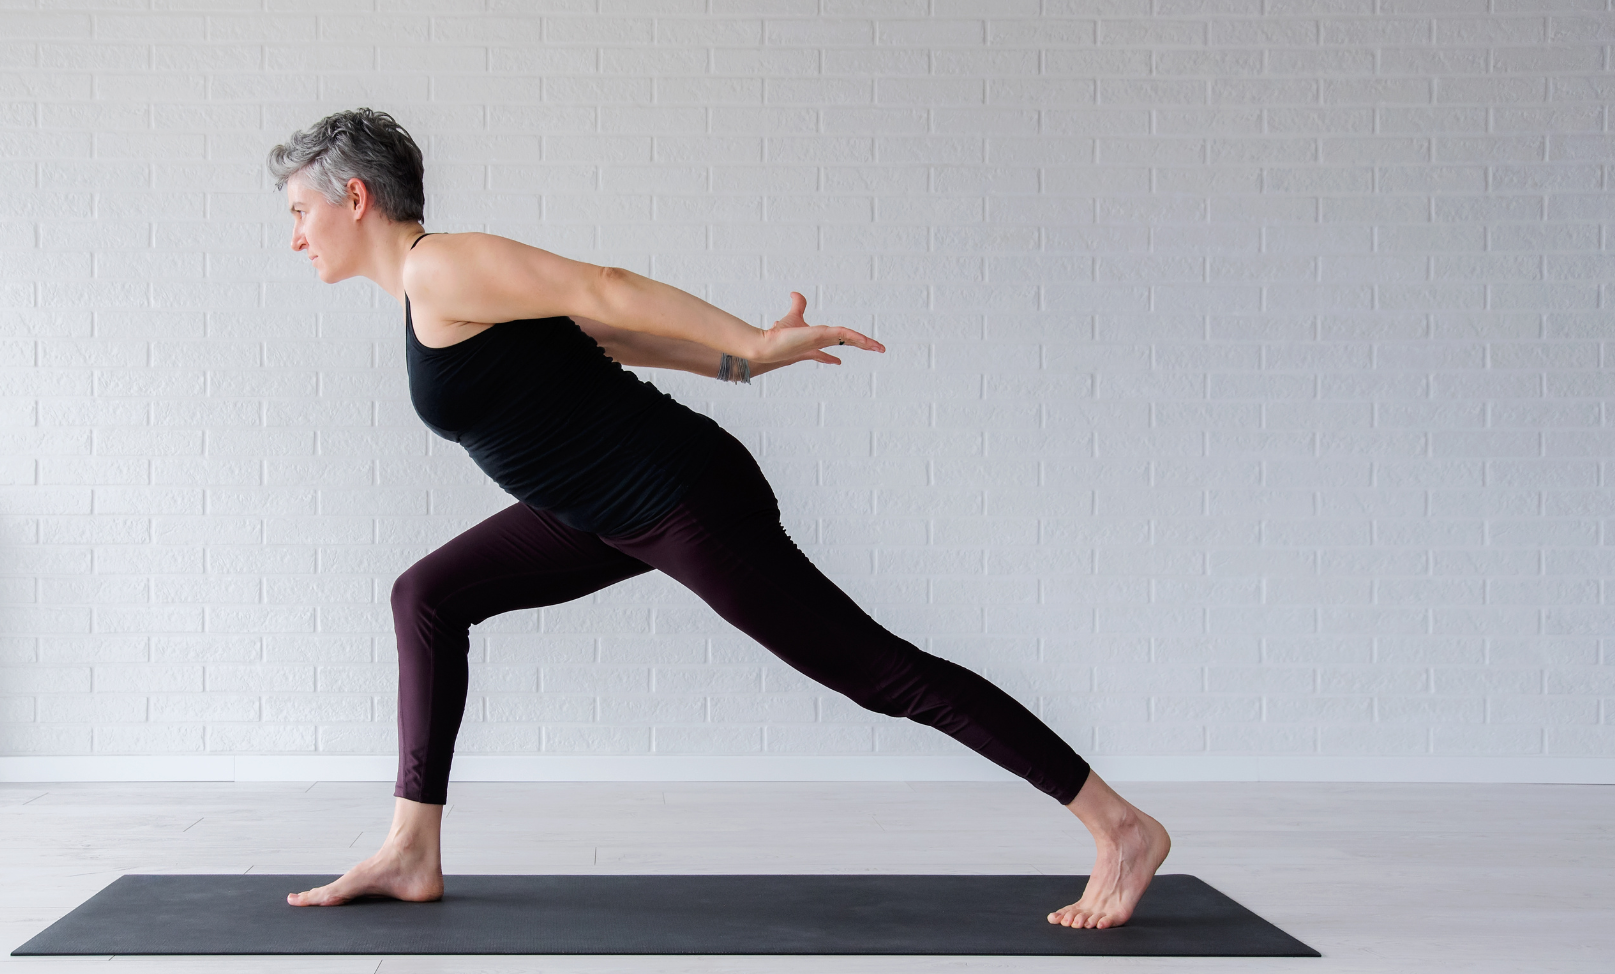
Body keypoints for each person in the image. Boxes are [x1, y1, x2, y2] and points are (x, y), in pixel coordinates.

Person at [267, 108, 1170, 929]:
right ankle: (411, 848)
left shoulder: (441, 263)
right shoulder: (430, 293)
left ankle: (1119, 827)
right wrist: (743, 369)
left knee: (879, 672)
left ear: (355, 197)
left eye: (300, 213)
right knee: (428, 595)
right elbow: (604, 340)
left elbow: (605, 287)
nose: (296, 237)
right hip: (590, 509)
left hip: (680, 497)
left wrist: (747, 338)